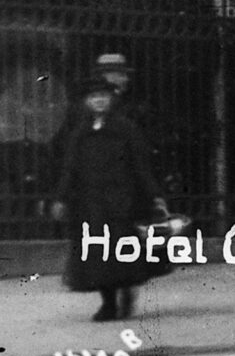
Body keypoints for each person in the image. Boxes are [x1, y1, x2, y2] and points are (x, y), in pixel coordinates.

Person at [54, 79, 171, 322]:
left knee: (121, 251)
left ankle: (126, 291)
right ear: (87, 101)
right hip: (91, 204)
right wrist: (61, 198)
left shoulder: (126, 129)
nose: (99, 100)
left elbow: (141, 166)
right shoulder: (80, 133)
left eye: (103, 96)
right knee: (98, 254)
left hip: (122, 201)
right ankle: (108, 303)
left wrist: (155, 195)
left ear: (111, 100)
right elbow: (70, 169)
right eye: (94, 97)